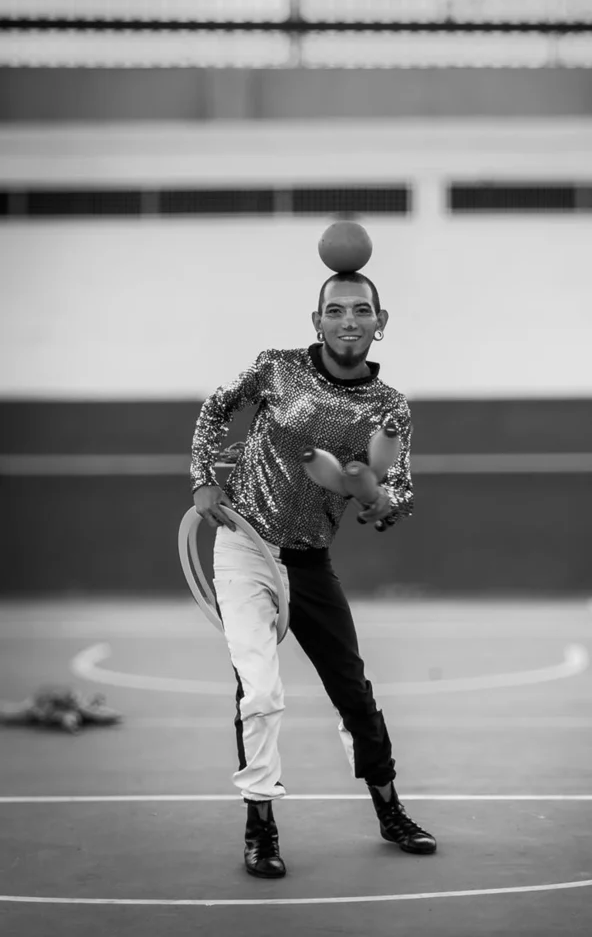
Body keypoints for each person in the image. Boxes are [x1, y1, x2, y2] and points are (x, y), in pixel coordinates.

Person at [190, 270, 437, 879]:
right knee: (261, 690)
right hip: (244, 547)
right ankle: (260, 827)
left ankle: (390, 808)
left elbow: (397, 486)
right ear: (316, 321)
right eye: (335, 310)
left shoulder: (389, 407)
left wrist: (383, 503)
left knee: (354, 692)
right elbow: (216, 407)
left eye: (361, 310)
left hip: (309, 561)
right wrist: (204, 477)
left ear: (381, 324)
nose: (348, 320)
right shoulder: (275, 367)